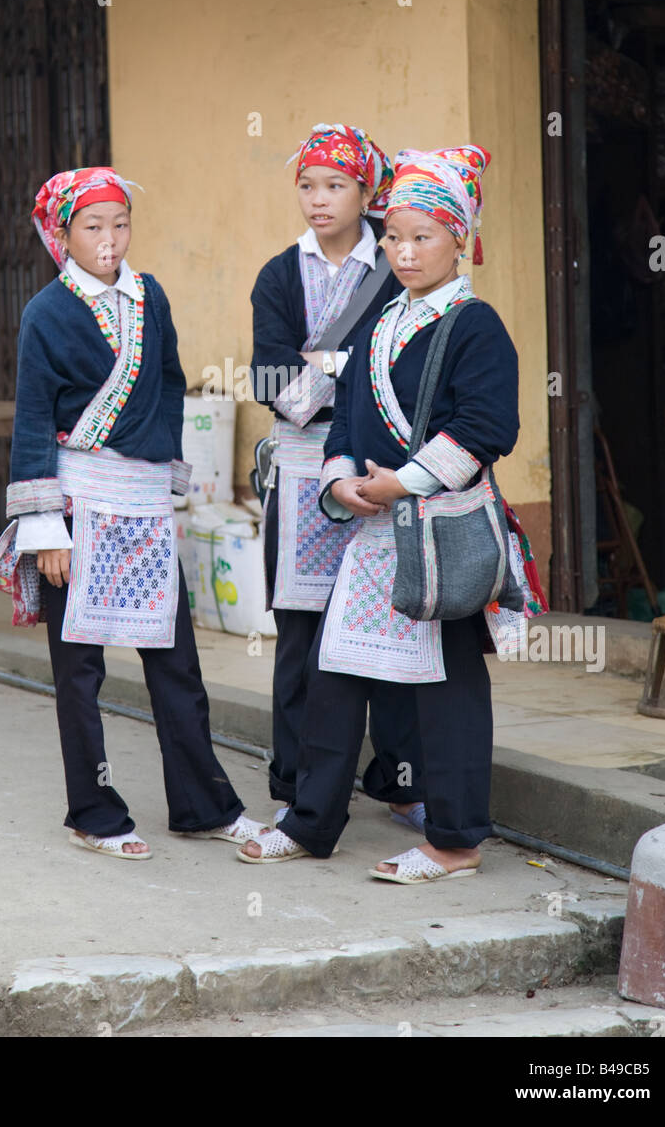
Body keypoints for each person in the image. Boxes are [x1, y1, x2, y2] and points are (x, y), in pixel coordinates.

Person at [239, 145, 546, 878]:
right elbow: (344, 418)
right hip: (373, 534)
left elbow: (484, 429)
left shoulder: (475, 325)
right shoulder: (381, 324)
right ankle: (312, 821)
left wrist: (401, 483)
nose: (404, 253)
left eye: (423, 237)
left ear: (460, 240)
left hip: (441, 537)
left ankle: (455, 840)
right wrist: (343, 478)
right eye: (395, 238)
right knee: (336, 673)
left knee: (449, 689)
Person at [0, 167, 267, 859]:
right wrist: (45, 528)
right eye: (92, 226)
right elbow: (31, 424)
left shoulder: (151, 299)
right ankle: (95, 811)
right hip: (77, 510)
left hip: (140, 506)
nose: (109, 239)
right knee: (80, 671)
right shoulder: (45, 315)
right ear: (62, 235)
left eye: (120, 224)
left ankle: (203, 804)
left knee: (174, 661)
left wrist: (157, 471)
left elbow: (169, 384)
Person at [250, 124, 422, 831]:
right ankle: (298, 783)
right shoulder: (278, 275)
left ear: (366, 191)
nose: (317, 201)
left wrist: (317, 365)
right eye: (307, 185)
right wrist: (345, 367)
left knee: (394, 626)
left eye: (336, 186)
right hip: (299, 473)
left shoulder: (398, 260)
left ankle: (401, 778)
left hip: (384, 466)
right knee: (302, 633)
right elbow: (274, 386)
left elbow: (410, 364)